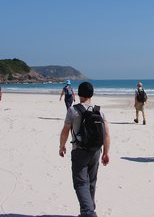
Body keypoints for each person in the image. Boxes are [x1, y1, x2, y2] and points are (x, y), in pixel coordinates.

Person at [59, 82, 110, 217]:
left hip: (79, 150)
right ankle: (87, 210)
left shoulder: (73, 110)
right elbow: (106, 134)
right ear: (92, 94)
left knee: (81, 183)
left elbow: (65, 131)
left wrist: (62, 146)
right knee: (91, 182)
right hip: (96, 151)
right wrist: (106, 153)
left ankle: (88, 212)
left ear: (79, 93)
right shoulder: (99, 110)